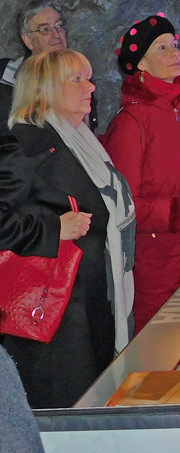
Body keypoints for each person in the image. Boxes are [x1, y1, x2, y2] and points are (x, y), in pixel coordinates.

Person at [0, 50, 135, 408]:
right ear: (44, 88)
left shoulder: (80, 141)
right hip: (53, 320)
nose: (90, 86)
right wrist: (51, 227)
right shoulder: (23, 144)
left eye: (88, 77)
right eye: (77, 79)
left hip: (89, 303)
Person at [102, 14, 180, 333]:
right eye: (162, 48)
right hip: (156, 268)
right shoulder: (131, 123)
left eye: (175, 45)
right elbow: (125, 206)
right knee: (159, 354)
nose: (175, 53)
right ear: (140, 64)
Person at [0, 0, 98, 134]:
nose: (56, 35)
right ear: (28, 40)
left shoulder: (80, 75)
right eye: (45, 30)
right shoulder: (6, 79)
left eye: (59, 26)